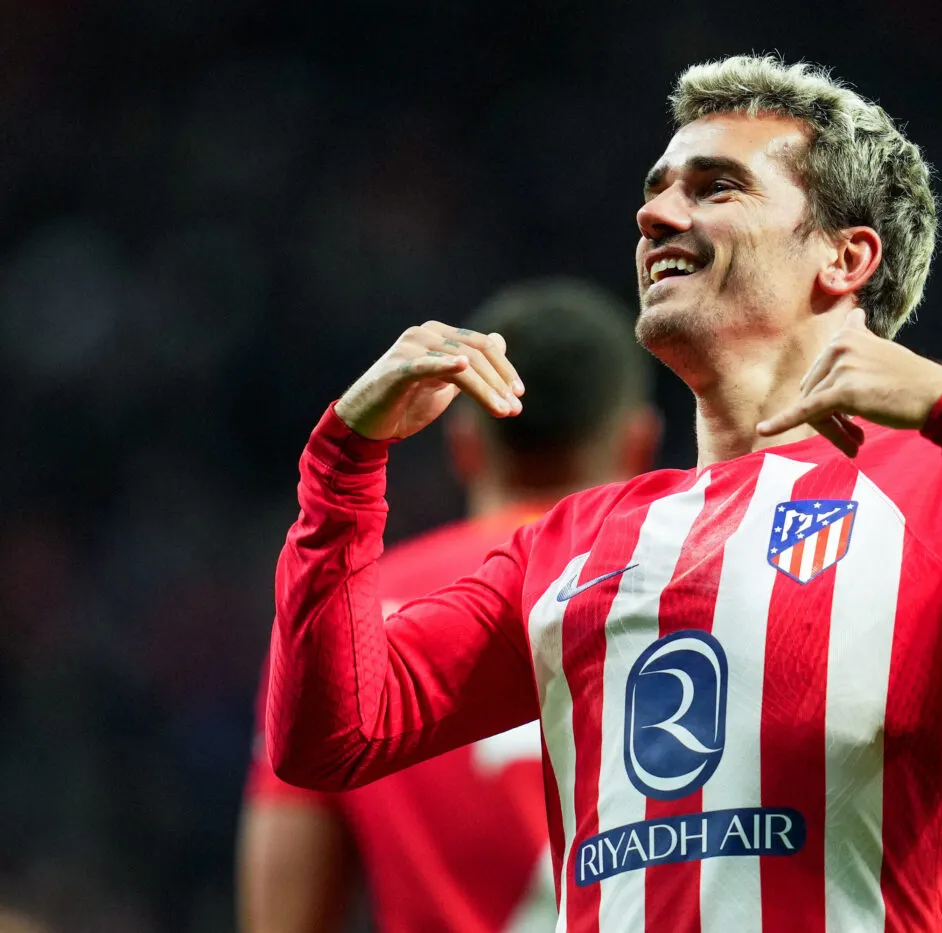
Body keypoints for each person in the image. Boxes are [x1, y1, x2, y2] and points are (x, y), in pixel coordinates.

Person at [263, 55, 942, 931]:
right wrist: (344, 464)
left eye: (714, 187)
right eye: (655, 190)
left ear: (846, 257)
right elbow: (330, 740)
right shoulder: (578, 536)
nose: (656, 215)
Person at [238, 279, 659, 933]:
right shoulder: (686, 589)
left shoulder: (346, 613)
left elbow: (283, 914)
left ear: (461, 446)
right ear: (639, 444)